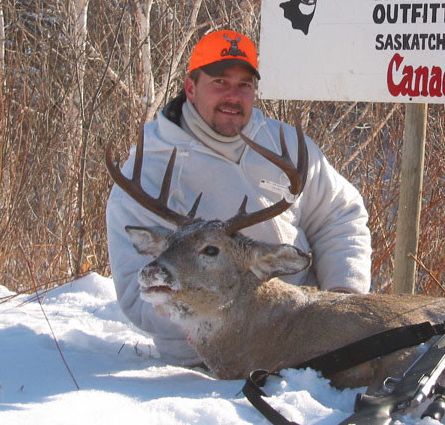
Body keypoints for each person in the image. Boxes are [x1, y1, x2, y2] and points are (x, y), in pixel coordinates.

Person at [106, 29, 373, 366]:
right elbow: (136, 291)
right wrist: (231, 318)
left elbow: (340, 216)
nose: (233, 96)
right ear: (190, 87)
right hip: (209, 360)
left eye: (244, 85)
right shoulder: (145, 172)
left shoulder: (286, 144)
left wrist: (342, 302)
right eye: (220, 81)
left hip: (311, 335)